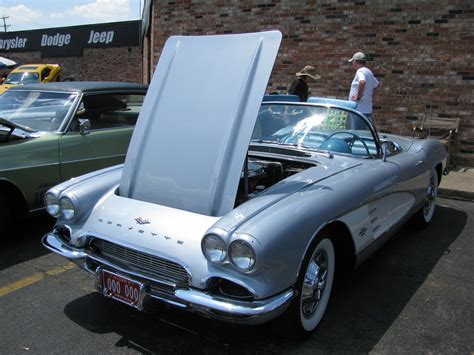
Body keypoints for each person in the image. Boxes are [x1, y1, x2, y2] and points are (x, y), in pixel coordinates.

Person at [348, 52, 379, 123]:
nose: (352, 64)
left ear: (356, 62)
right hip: (367, 109)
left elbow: (362, 81)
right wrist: (368, 97)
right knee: (363, 132)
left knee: (355, 132)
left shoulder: (360, 71)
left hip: (358, 110)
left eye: (353, 61)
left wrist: (358, 97)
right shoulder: (369, 72)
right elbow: (376, 85)